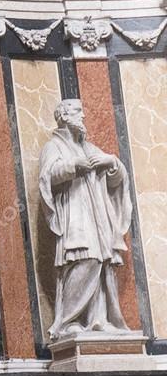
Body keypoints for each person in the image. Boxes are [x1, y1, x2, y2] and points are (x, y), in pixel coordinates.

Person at [39, 99, 132, 340]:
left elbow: (115, 180)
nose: (83, 117)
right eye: (78, 112)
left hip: (96, 217)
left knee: (102, 263)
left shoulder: (89, 148)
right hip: (75, 216)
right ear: (65, 116)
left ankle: (97, 320)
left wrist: (111, 162)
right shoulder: (54, 146)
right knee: (84, 259)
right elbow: (47, 176)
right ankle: (69, 321)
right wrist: (73, 167)